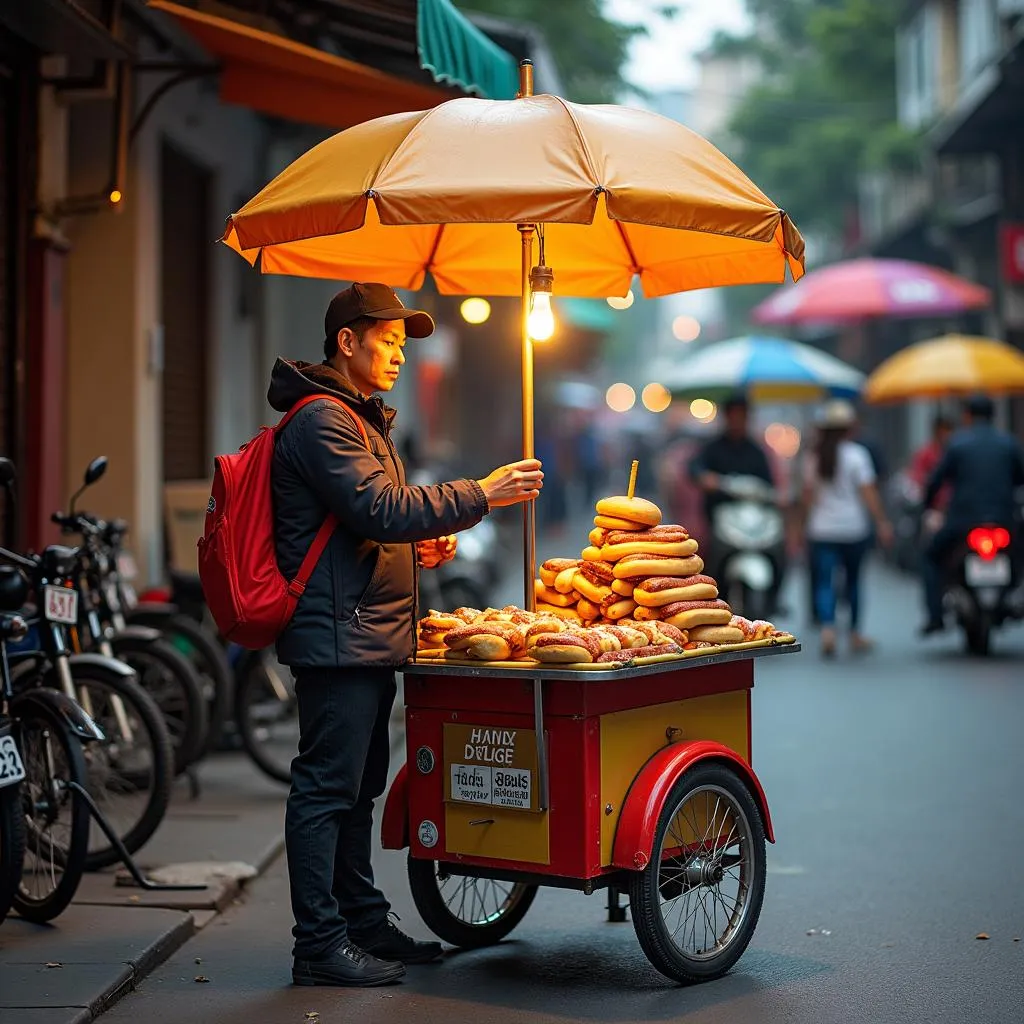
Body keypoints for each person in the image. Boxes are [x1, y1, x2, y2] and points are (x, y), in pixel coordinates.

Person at [268, 283, 544, 988]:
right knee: (326, 790)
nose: (396, 353)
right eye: (386, 340)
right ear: (347, 342)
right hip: (337, 638)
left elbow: (367, 527)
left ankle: (360, 921)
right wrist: (480, 494)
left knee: (356, 791)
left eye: (402, 342)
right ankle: (318, 945)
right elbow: (381, 507)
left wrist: (417, 549)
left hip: (363, 632)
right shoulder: (322, 419)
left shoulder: (363, 420)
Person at [920, 395, 1024, 635]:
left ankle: (935, 615)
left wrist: (927, 506)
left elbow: (936, 481)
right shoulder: (1008, 443)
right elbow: (1020, 478)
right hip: (1004, 520)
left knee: (930, 558)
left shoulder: (957, 444)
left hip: (963, 522)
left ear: (967, 416)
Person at [802, 400, 893, 657]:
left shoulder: (814, 457)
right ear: (848, 428)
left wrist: (799, 530)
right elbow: (869, 493)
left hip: (822, 530)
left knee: (824, 582)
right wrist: (882, 522)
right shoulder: (857, 455)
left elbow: (807, 497)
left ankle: (828, 629)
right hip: (854, 529)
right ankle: (854, 633)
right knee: (853, 582)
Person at [689, 393, 779, 608]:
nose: (738, 420)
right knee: (710, 559)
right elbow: (695, 469)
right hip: (722, 520)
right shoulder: (712, 448)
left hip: (752, 519)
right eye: (734, 415)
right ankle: (711, 601)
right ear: (726, 417)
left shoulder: (756, 451)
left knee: (778, 553)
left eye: (743, 416)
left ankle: (774, 599)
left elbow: (770, 485)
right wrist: (705, 479)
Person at [909, 415, 954, 511]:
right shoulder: (925, 453)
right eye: (942, 431)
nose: (945, 435)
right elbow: (918, 476)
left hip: (953, 504)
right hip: (932, 504)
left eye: (947, 431)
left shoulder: (954, 452)